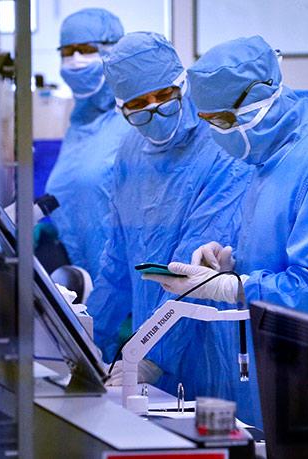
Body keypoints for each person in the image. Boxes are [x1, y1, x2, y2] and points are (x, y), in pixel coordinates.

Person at [156, 36, 308, 423]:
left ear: (262, 98)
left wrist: (234, 287)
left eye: (225, 121)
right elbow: (276, 253)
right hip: (277, 372)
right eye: (209, 122)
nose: (218, 134)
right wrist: (229, 262)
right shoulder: (267, 165)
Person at [85, 32, 253, 419]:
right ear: (121, 108)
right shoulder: (129, 152)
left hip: (207, 341)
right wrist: (90, 343)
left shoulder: (218, 145)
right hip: (151, 343)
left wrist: (147, 354)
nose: (154, 109)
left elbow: (194, 270)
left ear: (182, 83)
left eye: (164, 95)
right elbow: (117, 263)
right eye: (138, 105)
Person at [45, 8, 131, 281]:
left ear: (113, 51)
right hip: (83, 284)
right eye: (67, 52)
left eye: (86, 49)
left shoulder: (135, 121)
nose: (76, 60)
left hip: (124, 293)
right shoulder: (79, 125)